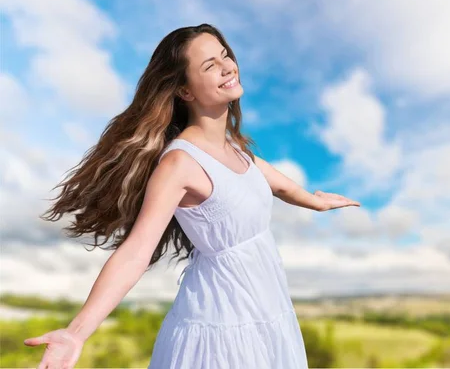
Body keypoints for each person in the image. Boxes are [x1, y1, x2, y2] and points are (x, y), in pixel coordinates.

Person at [22, 23, 360, 369]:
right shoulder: (180, 163)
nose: (228, 67)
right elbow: (136, 252)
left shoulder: (236, 150)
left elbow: (280, 185)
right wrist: (76, 332)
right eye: (210, 65)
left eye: (225, 56)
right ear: (184, 90)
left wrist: (316, 201)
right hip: (222, 329)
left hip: (267, 312)